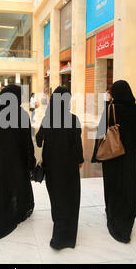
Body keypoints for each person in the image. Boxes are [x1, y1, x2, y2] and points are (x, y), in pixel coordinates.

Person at [91, 80, 136, 244]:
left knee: (114, 187)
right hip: (129, 159)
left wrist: (96, 156)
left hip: (112, 157)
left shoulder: (111, 109)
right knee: (129, 187)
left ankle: (114, 217)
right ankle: (127, 219)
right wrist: (135, 151)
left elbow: (100, 133)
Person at [0, 84, 35, 240]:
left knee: (3, 188)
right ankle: (20, 210)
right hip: (18, 160)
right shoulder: (22, 115)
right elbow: (27, 142)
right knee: (19, 184)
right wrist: (30, 161)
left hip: (2, 161)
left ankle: (0, 218)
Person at [36, 86, 84, 250]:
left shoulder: (48, 119)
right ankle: (67, 233)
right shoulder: (73, 119)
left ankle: (58, 222)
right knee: (69, 196)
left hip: (51, 164)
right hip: (69, 165)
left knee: (56, 194)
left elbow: (38, 139)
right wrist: (80, 160)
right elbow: (77, 145)